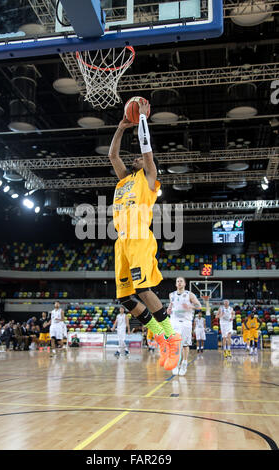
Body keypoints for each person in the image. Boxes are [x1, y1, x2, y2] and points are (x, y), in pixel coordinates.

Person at [109, 98, 181, 371]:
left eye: (138, 156)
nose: (135, 157)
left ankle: (171, 336)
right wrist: (121, 126)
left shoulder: (148, 178)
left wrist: (140, 119)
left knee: (143, 288)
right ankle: (160, 337)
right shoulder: (125, 179)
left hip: (140, 235)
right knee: (125, 298)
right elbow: (113, 156)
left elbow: (147, 151)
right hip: (122, 240)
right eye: (136, 157)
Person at [167, 277, 202, 375]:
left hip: (186, 322)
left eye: (181, 281)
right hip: (174, 321)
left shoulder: (189, 294)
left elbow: (199, 306)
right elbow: (171, 305)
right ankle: (175, 364)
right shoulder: (172, 295)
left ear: (185, 283)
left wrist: (190, 306)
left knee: (185, 345)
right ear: (175, 284)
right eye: (177, 281)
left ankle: (184, 362)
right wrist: (169, 309)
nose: (179, 283)